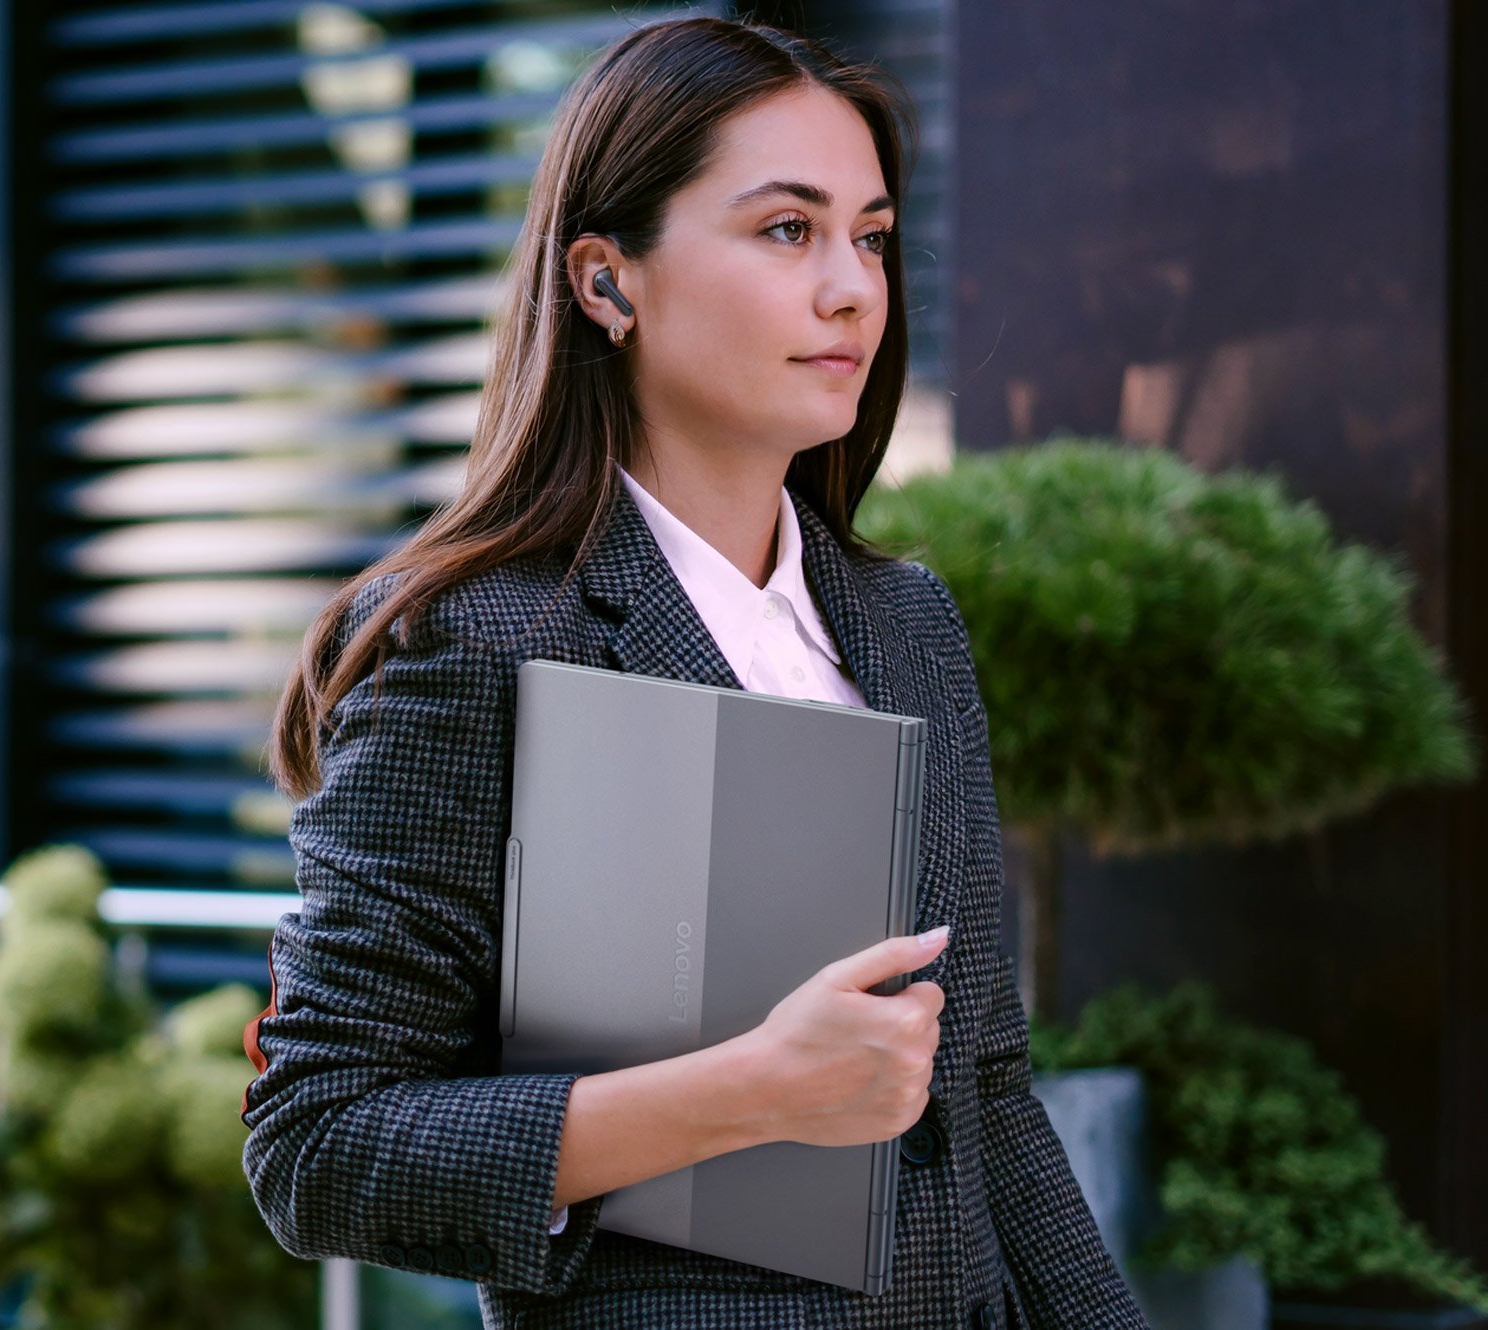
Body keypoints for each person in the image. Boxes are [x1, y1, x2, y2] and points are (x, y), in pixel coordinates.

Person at [241, 15, 1149, 1330]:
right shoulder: (476, 642)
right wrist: (754, 1088)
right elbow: (318, 1144)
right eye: (788, 230)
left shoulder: (906, 623)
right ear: (608, 283)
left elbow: (990, 1086)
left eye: (872, 237)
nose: (851, 287)